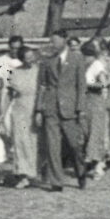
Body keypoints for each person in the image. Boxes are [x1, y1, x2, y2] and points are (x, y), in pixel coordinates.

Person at [36, 30, 87, 191]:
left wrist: (80, 108)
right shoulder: (47, 60)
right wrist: (39, 108)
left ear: (65, 40)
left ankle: (81, 171)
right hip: (51, 108)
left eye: (56, 41)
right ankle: (56, 181)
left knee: (74, 145)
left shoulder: (77, 58)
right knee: (53, 146)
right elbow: (42, 86)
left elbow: (81, 85)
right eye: (51, 41)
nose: (53, 45)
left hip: (70, 108)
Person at [1, 45, 40, 187]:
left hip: (36, 108)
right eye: (27, 57)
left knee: (34, 141)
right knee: (20, 142)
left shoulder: (39, 71)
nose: (30, 60)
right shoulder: (15, 73)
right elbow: (9, 94)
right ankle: (22, 174)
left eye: (32, 57)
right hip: (20, 110)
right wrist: (3, 112)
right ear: (22, 59)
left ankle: (34, 173)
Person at [81, 40, 110, 179]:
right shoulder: (82, 65)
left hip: (95, 100)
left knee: (95, 133)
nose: (86, 58)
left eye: (89, 55)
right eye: (85, 55)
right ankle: (92, 163)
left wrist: (88, 85)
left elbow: (104, 83)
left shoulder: (97, 65)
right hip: (84, 101)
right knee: (86, 132)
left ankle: (99, 165)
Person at [0, 35, 25, 114]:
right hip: (6, 94)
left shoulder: (25, 60)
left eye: (17, 48)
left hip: (21, 96)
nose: (15, 51)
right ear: (9, 47)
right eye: (13, 48)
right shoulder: (1, 60)